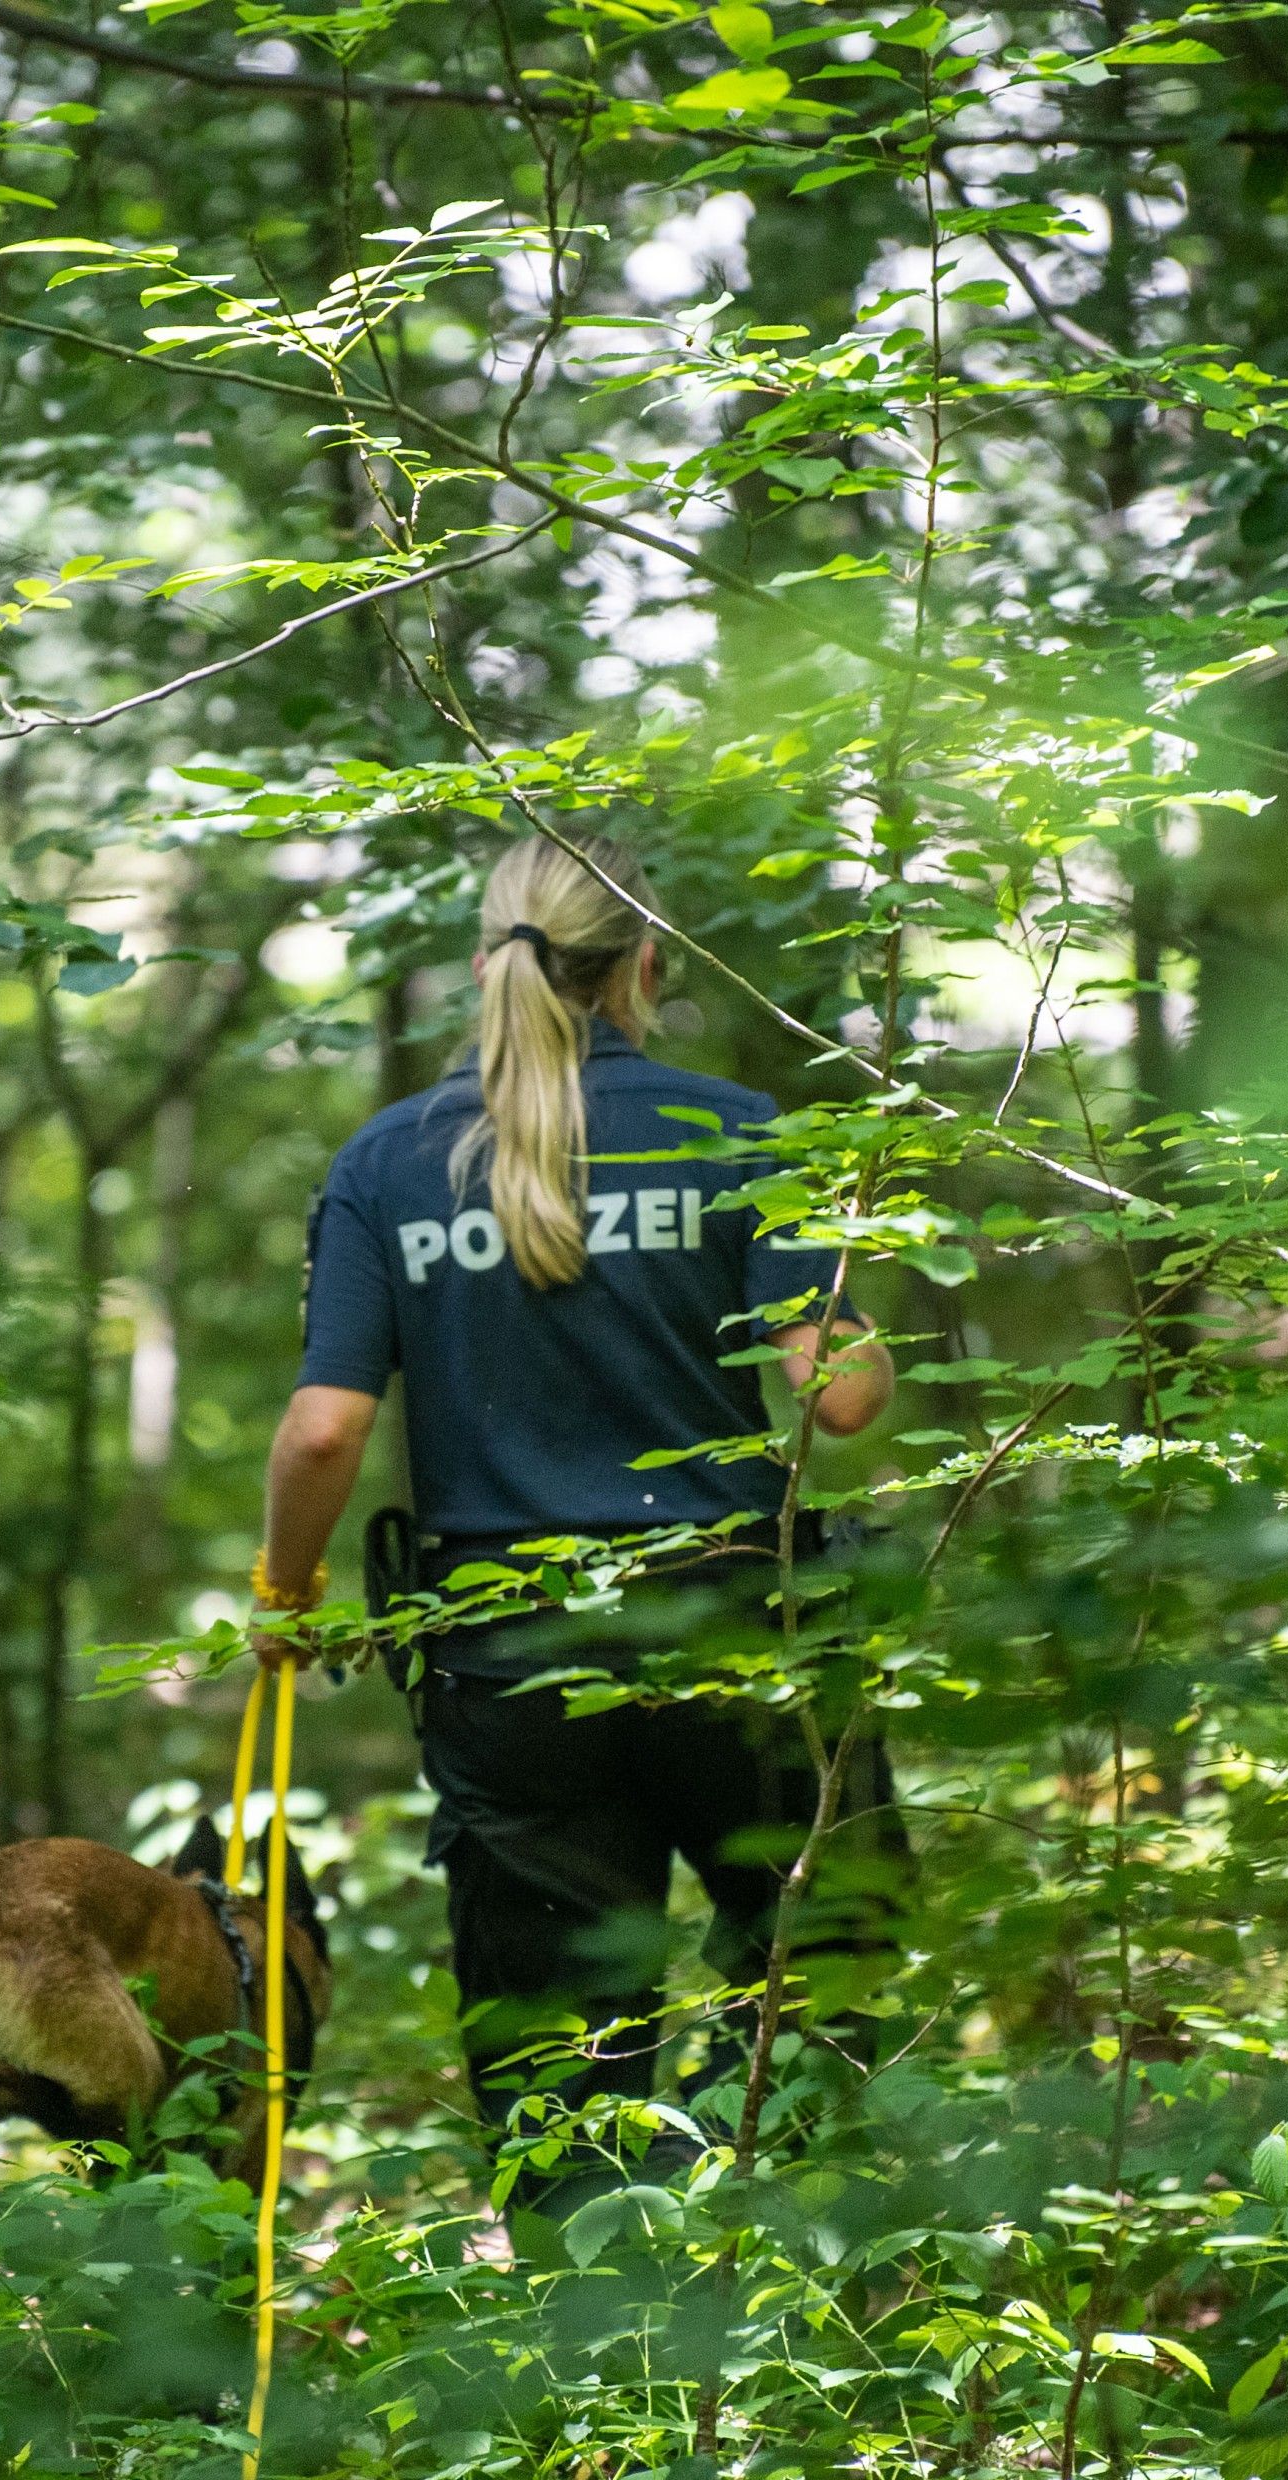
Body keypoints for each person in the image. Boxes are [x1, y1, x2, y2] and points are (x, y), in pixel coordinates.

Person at [252, 830, 898, 2220]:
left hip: (508, 1661)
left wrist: (285, 1591)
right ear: (645, 964)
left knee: (560, 2053)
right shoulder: (737, 1127)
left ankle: (598, 2366)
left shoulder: (388, 1163)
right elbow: (837, 1402)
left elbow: (322, 1429)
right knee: (815, 1964)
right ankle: (787, 2288)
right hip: (737, 1628)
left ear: (488, 967)